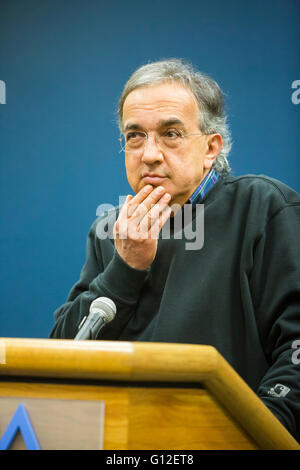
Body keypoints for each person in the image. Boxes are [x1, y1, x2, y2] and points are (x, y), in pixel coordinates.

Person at [50, 59, 300, 442]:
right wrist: (125, 268)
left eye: (170, 133)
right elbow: (62, 356)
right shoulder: (110, 230)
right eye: (135, 136)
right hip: (124, 442)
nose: (149, 153)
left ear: (210, 148)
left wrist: (257, 429)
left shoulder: (262, 207)